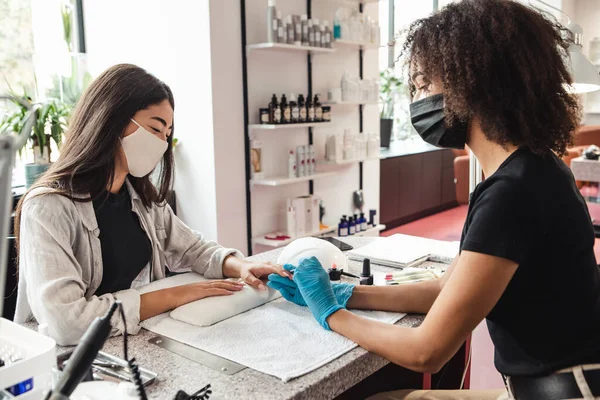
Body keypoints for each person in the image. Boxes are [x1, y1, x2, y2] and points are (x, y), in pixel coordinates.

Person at [268, 1, 600, 399]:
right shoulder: (531, 168)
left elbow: (427, 352)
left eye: (425, 85)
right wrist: (346, 293)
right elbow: (444, 288)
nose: (419, 100)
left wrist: (329, 312)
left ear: (471, 84)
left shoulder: (513, 193)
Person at [14, 64, 289, 346]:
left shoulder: (141, 197)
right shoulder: (47, 208)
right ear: (110, 120)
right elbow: (67, 323)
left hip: (133, 342)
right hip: (69, 363)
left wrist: (240, 266)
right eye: (155, 129)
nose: (162, 143)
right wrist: (175, 294)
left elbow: (193, 249)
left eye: (167, 134)